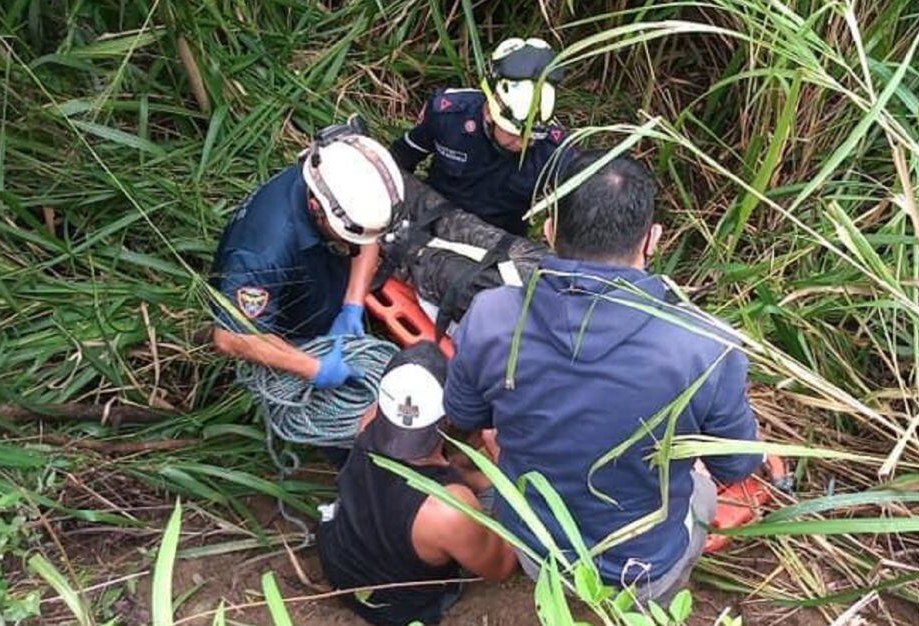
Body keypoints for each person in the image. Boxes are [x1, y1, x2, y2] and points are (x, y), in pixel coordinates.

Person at [442, 150, 762, 603]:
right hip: (645, 564)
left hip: (539, 547)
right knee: (703, 488)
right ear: (653, 240)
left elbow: (463, 412)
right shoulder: (706, 345)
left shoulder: (492, 316)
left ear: (550, 231)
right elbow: (738, 466)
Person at [318, 342, 516, 626]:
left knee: (462, 475)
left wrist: (473, 475)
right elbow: (502, 566)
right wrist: (504, 466)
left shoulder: (370, 421)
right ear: (448, 417)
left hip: (339, 560)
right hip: (395, 608)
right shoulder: (447, 508)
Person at [209, 120, 403, 391]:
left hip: (319, 283)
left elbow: (367, 239)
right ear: (317, 208)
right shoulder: (261, 253)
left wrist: (352, 304)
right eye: (348, 237)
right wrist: (313, 367)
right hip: (283, 326)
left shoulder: (335, 177)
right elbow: (231, 337)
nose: (356, 244)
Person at [389, 37, 573, 236]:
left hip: (496, 245)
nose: (523, 144)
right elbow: (400, 159)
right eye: (513, 134)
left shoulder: (554, 152)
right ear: (489, 113)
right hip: (432, 222)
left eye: (532, 137)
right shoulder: (449, 116)